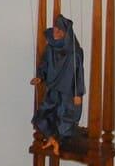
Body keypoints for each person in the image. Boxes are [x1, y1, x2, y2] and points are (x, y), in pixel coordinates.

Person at [31, 14, 85, 153]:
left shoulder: (74, 52)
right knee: (42, 116)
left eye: (60, 30)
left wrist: (78, 93)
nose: (56, 32)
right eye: (55, 29)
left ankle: (58, 141)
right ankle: (52, 139)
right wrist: (40, 77)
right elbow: (44, 65)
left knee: (64, 119)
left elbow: (79, 73)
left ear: (65, 33)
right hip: (53, 90)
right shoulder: (50, 49)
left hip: (67, 92)